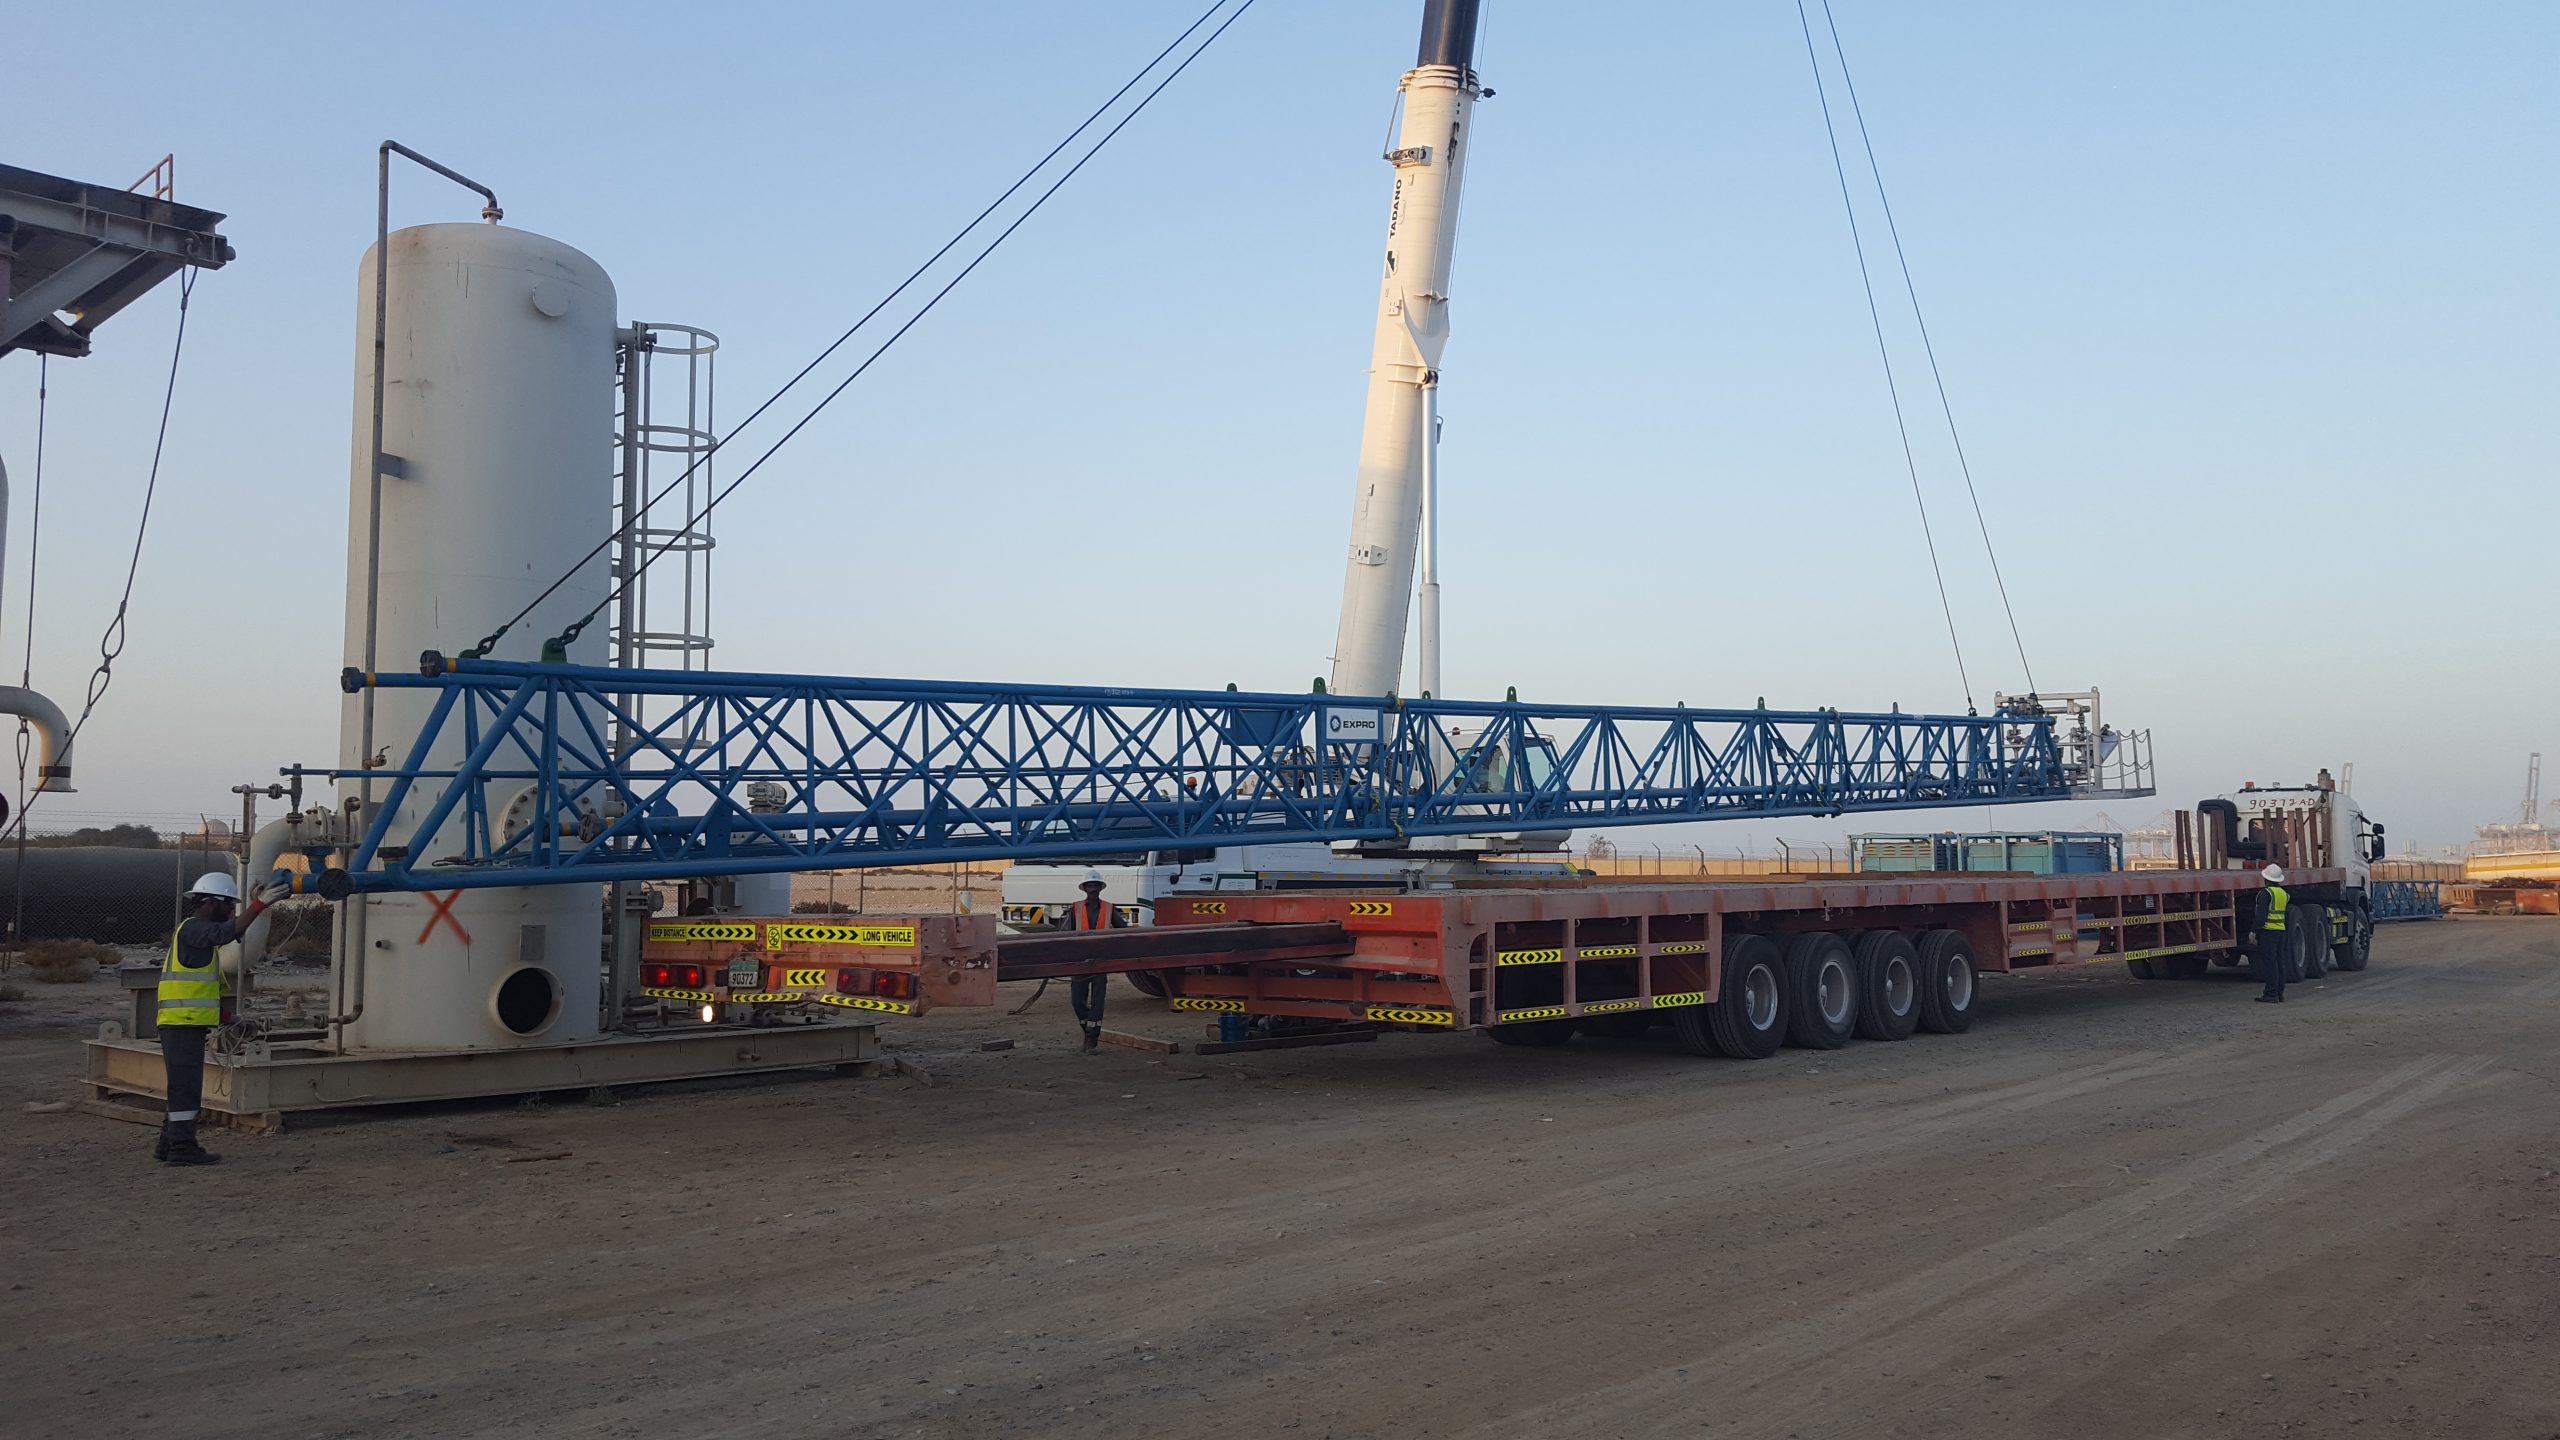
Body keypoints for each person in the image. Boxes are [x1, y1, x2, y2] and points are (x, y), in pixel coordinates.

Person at [155, 871, 287, 1165]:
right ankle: (182, 1148)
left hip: (186, 1022)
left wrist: (232, 1019)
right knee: (185, 1087)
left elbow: (199, 997)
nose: (230, 912)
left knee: (182, 1085)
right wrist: (260, 904)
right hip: (181, 1025)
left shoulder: (197, 939)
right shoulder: (193, 930)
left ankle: (168, 1144)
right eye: (228, 905)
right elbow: (226, 933)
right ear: (211, 903)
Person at [1066, 868, 1124, 1053]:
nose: (1092, 889)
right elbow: (1064, 934)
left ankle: (1092, 1038)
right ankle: (1087, 1029)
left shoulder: (1109, 908)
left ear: (1100, 887)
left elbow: (1124, 930)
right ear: (1084, 888)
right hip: (1080, 962)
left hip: (1100, 961)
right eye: (1089, 885)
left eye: (1095, 885)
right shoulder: (1075, 908)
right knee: (1077, 1001)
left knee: (1098, 1001)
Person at [2253, 863, 2291, 1004]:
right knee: (2280, 963)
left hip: (2268, 931)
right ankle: (2279, 993)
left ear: (2267, 880)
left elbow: (2261, 916)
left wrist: (2254, 932)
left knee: (2270, 964)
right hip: (2281, 931)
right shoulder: (2284, 894)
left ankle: (2270, 993)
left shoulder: (2265, 894)